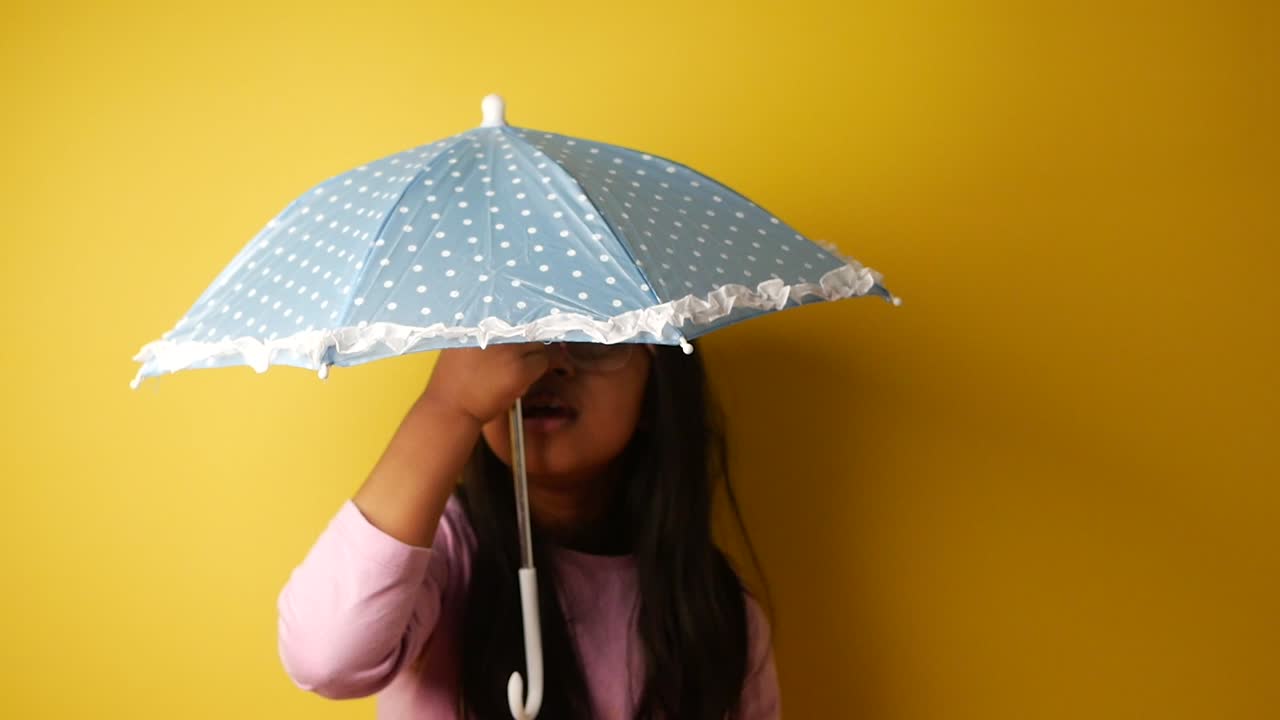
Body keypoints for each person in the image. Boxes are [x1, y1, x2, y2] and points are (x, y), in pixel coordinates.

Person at [276, 340, 781, 718]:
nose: (551, 362)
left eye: (592, 334)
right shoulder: (440, 558)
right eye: (519, 337)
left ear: (656, 386)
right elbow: (325, 659)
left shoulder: (716, 611)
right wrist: (448, 407)